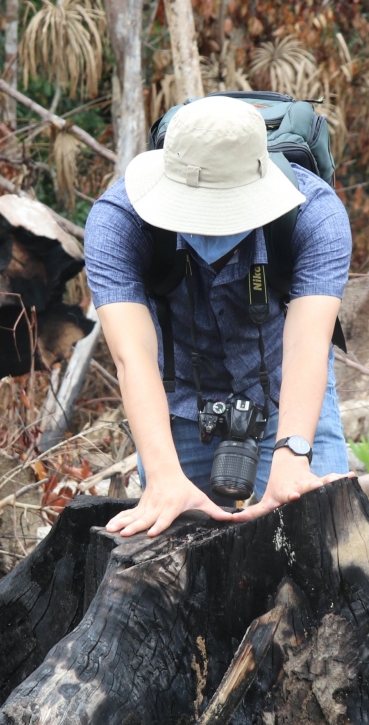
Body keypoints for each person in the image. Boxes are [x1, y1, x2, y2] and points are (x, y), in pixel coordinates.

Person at [84, 95, 353, 538]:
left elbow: (309, 345)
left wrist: (293, 456)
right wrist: (165, 477)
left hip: (288, 389)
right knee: (172, 553)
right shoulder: (118, 221)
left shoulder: (314, 215)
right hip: (183, 396)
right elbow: (134, 358)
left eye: (224, 212)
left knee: (319, 540)